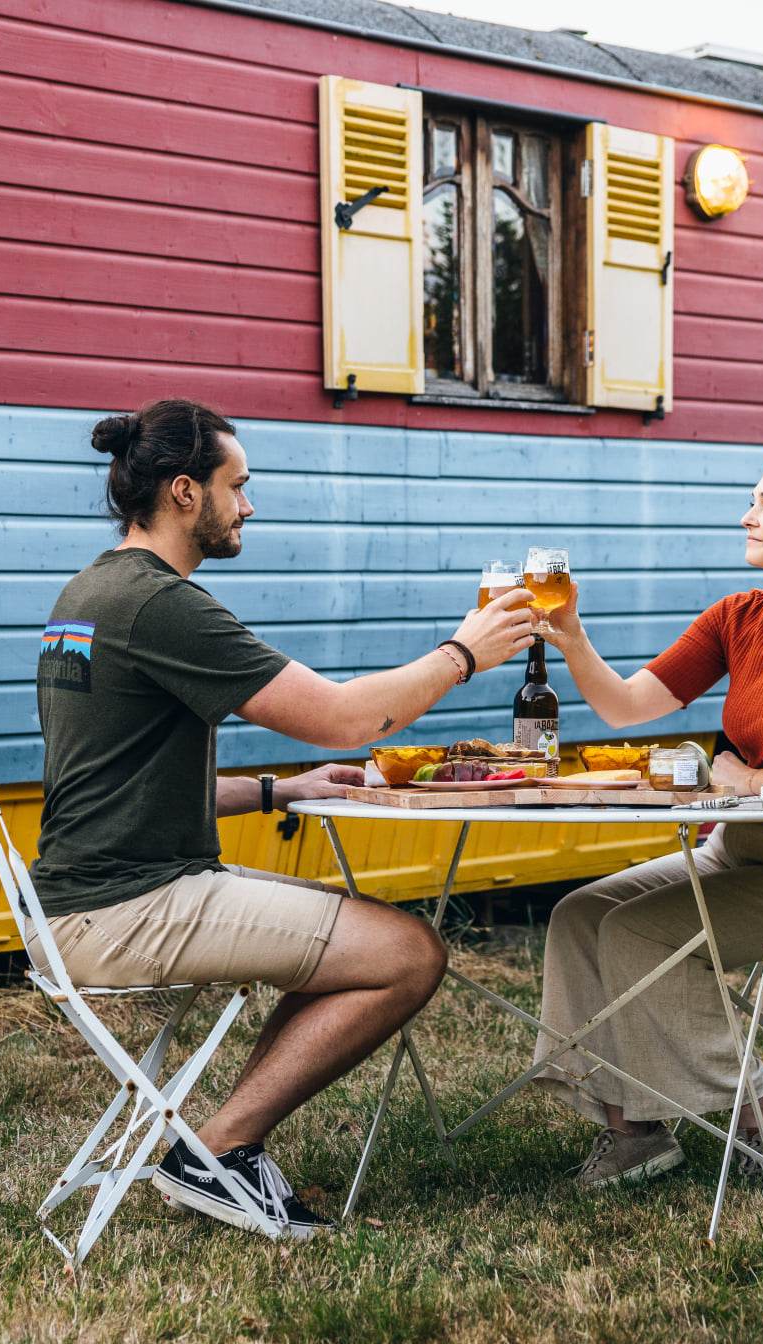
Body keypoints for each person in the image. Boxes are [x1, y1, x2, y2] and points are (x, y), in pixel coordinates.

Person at [27, 397, 535, 1239]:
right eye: (239, 486)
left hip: (82, 896)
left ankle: (223, 1147)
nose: (249, 506)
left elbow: (110, 774)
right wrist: (463, 653)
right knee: (409, 952)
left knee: (342, 936)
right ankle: (220, 1150)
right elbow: (345, 718)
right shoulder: (161, 606)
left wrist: (279, 791)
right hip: (123, 907)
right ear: (185, 492)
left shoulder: (90, 592)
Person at [532, 451, 763, 1189]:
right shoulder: (739, 616)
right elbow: (627, 705)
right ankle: (633, 1131)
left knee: (637, 931)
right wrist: (571, 635)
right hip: (739, 852)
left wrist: (744, 775)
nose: (747, 516)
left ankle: (762, 1109)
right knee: (578, 916)